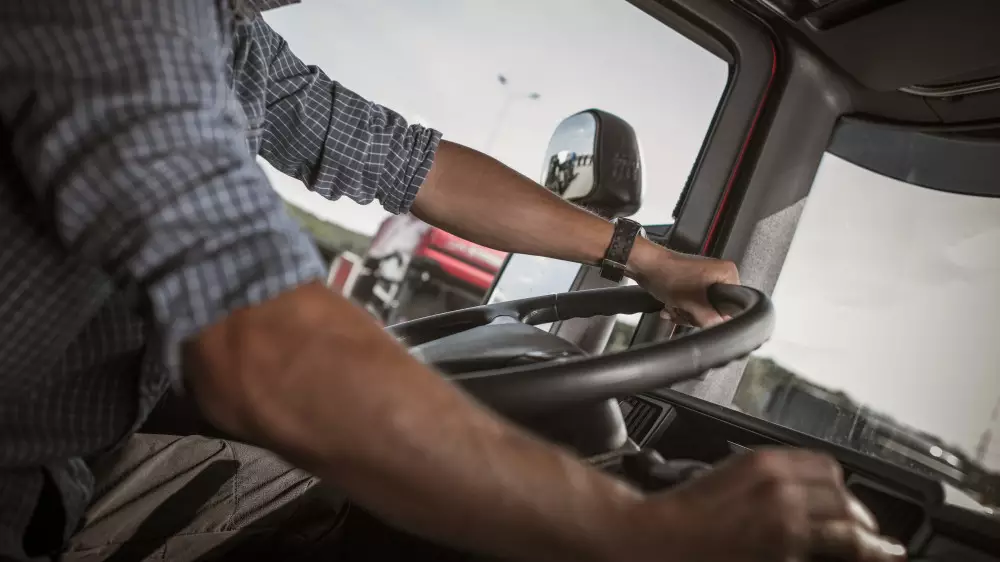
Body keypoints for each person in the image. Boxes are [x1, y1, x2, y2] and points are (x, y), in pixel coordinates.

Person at [0, 1, 907, 561]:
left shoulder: (232, 43)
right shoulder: (119, 18)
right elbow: (264, 350)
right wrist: (652, 534)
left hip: (81, 463)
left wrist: (646, 259)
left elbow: (409, 162)